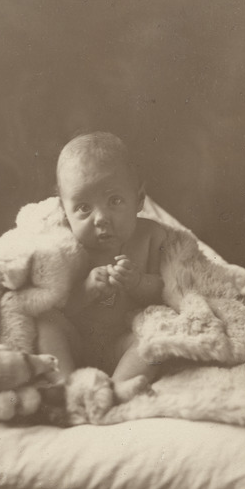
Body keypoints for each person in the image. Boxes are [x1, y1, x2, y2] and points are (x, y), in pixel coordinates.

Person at [37, 132, 168, 391]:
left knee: (156, 339)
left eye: (114, 201)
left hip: (123, 345)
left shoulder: (151, 237)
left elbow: (163, 293)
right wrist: (86, 290)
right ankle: (65, 386)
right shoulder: (65, 246)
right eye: (83, 208)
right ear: (64, 210)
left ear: (139, 199)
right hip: (75, 343)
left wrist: (138, 282)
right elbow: (60, 305)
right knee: (45, 322)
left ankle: (116, 389)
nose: (100, 218)